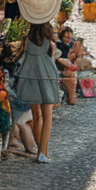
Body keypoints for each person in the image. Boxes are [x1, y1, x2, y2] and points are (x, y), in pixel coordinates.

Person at [10, 19, 60, 163]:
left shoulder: (27, 37)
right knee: (47, 116)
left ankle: (40, 151)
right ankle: (44, 152)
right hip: (45, 75)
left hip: (29, 74)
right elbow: (53, 54)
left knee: (36, 116)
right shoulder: (48, 37)